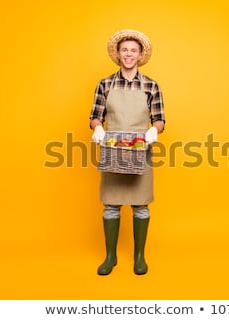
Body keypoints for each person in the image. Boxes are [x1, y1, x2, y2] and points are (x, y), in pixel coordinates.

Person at [89, 29, 165, 275]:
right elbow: (94, 117)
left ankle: (139, 257)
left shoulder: (151, 85)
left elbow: (160, 119)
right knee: (111, 205)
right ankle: (110, 257)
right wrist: (98, 129)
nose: (129, 54)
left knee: (140, 206)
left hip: (140, 150)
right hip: (112, 149)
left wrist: (154, 130)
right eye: (125, 50)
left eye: (134, 50)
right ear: (118, 54)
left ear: (140, 54)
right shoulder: (105, 84)